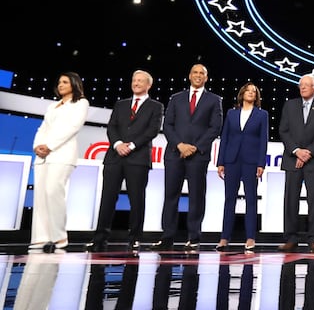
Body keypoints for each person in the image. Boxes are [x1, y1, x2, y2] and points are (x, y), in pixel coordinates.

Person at [85, 70, 164, 252]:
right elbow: (112, 126)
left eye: (140, 81)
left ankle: (135, 238)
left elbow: (152, 130)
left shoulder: (156, 106)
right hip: (114, 158)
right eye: (134, 80)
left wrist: (132, 145)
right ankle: (99, 239)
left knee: (137, 200)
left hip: (138, 159)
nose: (136, 83)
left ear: (148, 85)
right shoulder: (121, 104)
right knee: (107, 198)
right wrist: (118, 144)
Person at [151, 63, 223, 251]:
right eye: (195, 72)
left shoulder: (214, 100)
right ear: (189, 76)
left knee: (196, 197)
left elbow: (215, 127)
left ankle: (194, 237)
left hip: (198, 156)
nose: (198, 76)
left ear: (206, 78)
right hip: (175, 153)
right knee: (170, 195)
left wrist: (196, 147)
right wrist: (180, 145)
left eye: (202, 73)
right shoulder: (176, 98)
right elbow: (168, 125)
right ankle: (167, 237)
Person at [30, 71, 89, 252]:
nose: (60, 85)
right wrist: (37, 146)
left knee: (53, 192)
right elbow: (43, 128)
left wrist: (50, 145)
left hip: (62, 155)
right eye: (59, 82)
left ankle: (59, 236)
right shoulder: (53, 106)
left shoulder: (81, 103)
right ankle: (41, 238)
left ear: (74, 84)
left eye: (65, 82)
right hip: (42, 157)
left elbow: (73, 127)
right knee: (40, 196)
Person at [277, 74, 314, 253]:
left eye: (307, 85)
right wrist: (297, 152)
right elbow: (283, 131)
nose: (303, 88)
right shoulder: (289, 105)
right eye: (301, 85)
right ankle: (291, 238)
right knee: (290, 200)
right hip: (292, 159)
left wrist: (308, 153)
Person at [214, 82, 268, 252]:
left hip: (251, 161)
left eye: (254, 91)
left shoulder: (262, 115)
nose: (251, 93)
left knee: (251, 200)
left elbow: (263, 141)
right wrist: (220, 162)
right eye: (248, 90)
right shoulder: (231, 113)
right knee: (229, 199)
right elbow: (225, 138)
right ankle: (224, 238)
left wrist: (261, 163)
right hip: (232, 160)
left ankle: (250, 238)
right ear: (242, 93)